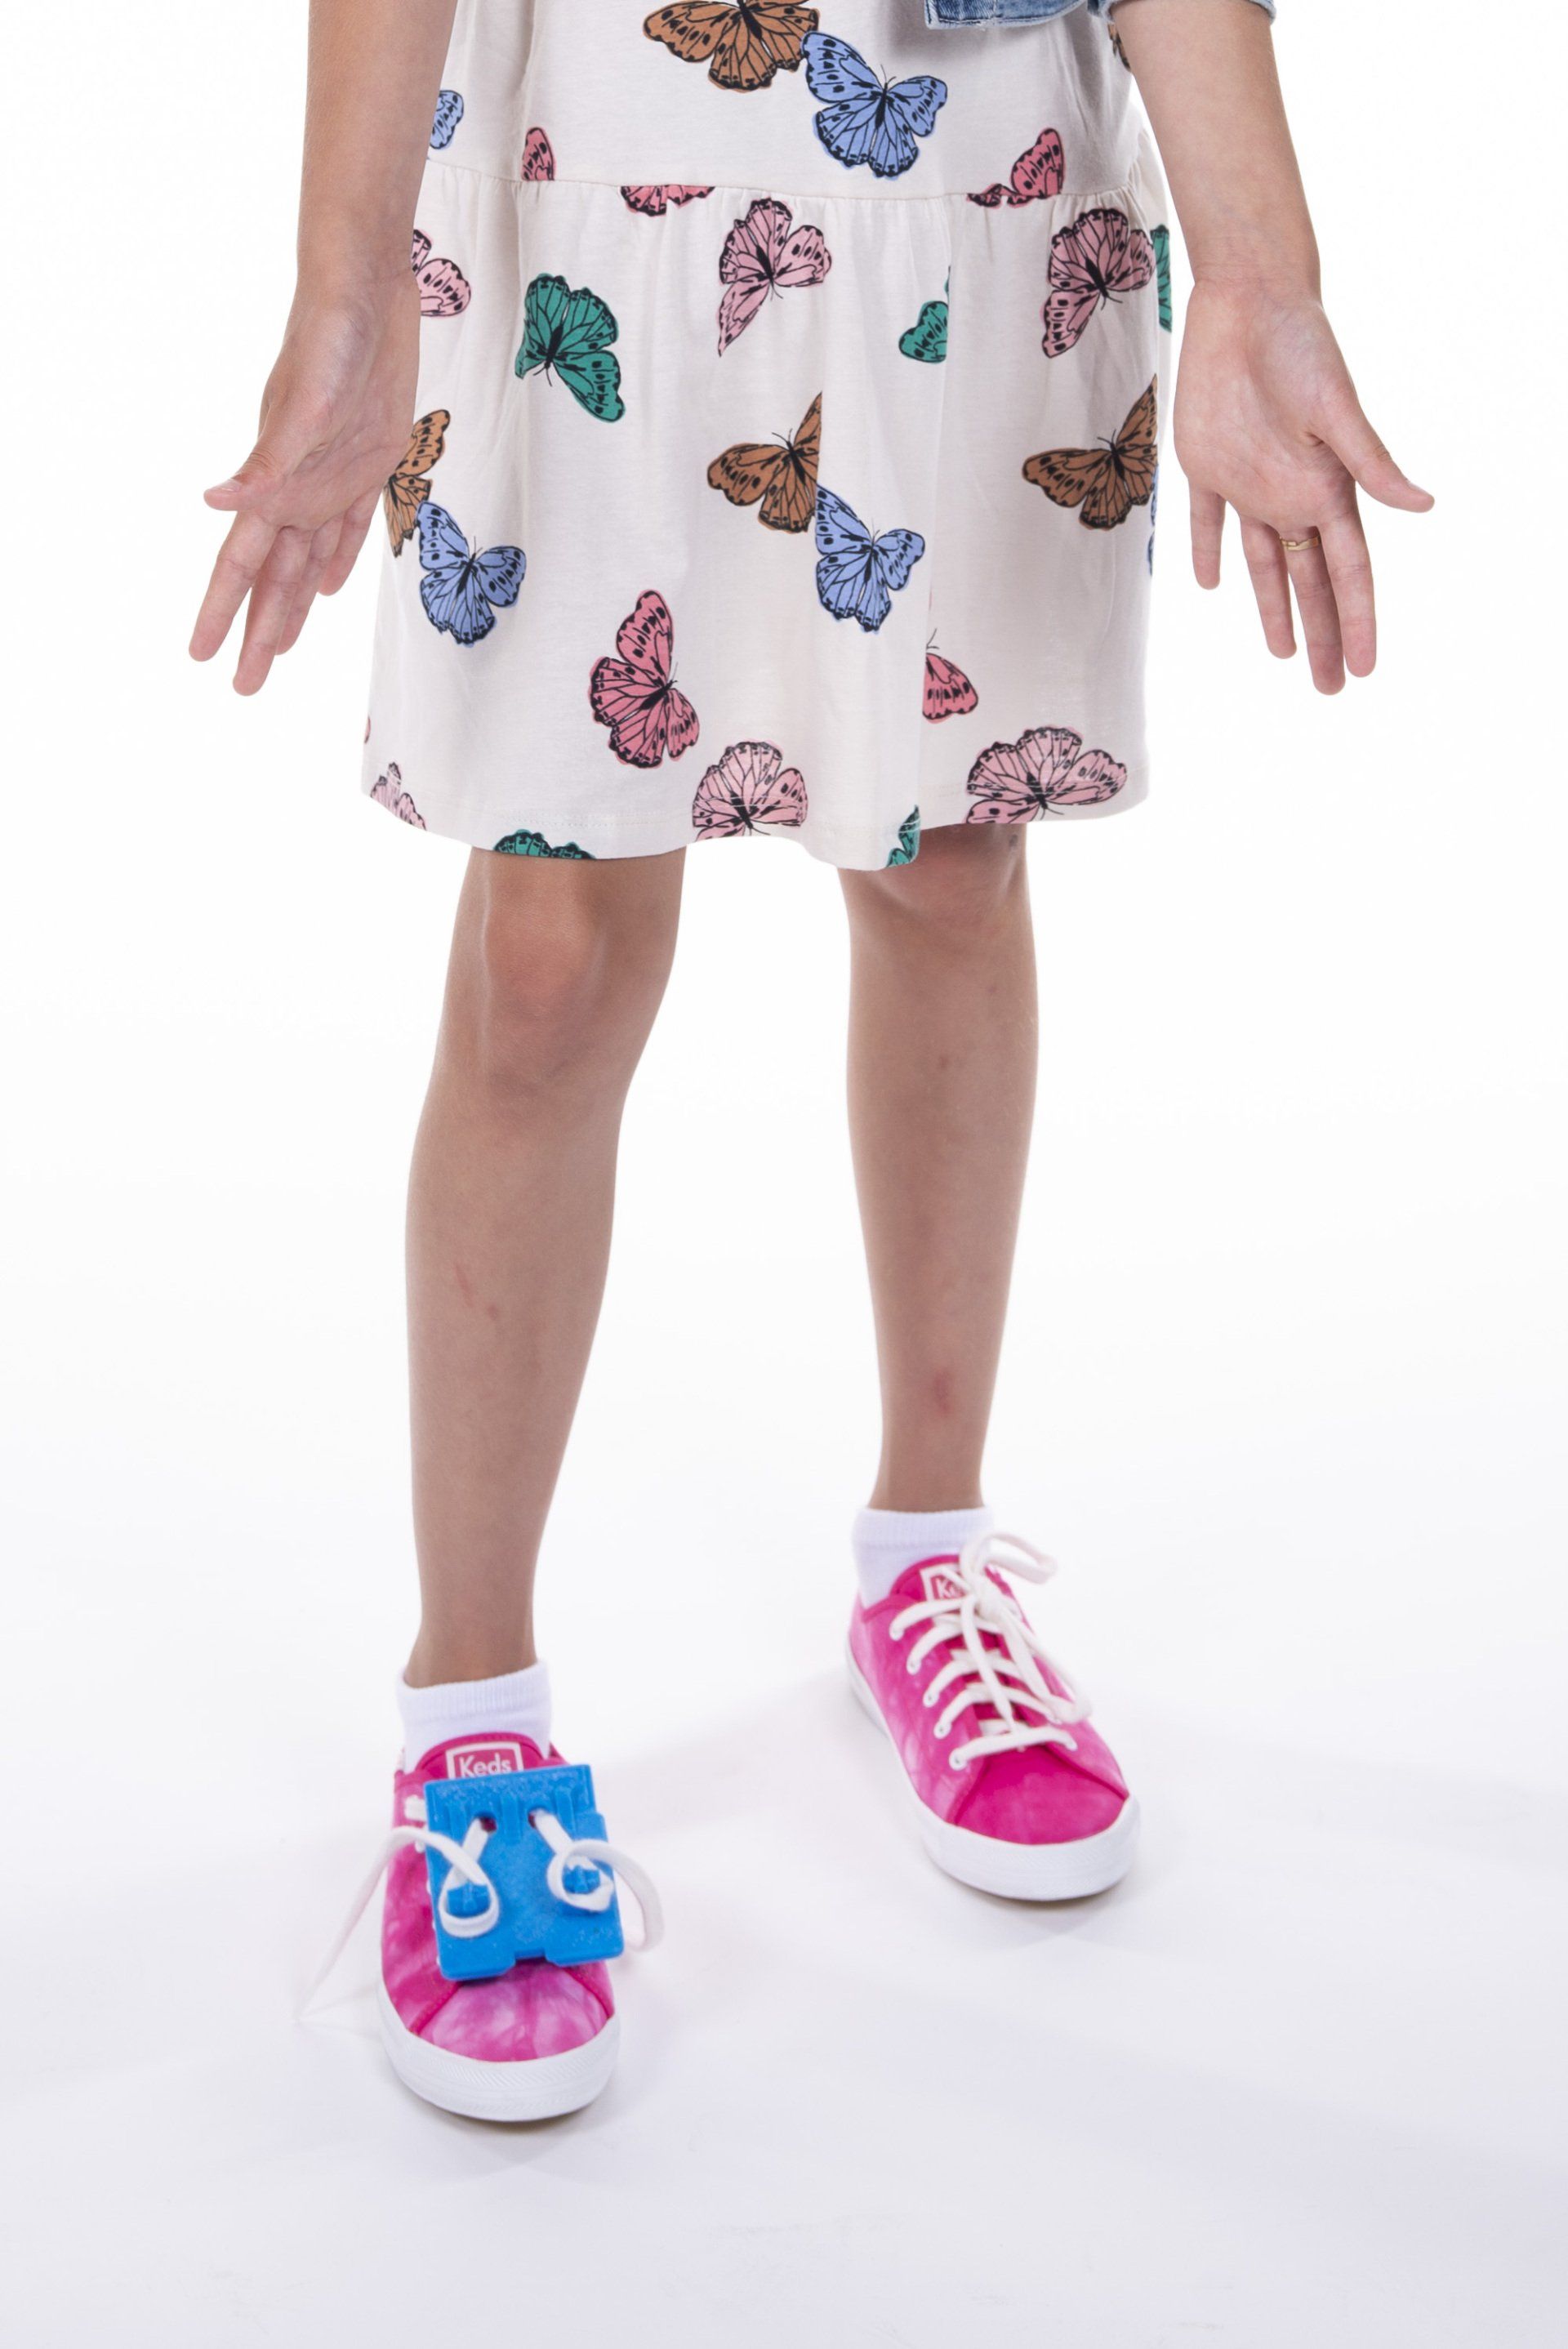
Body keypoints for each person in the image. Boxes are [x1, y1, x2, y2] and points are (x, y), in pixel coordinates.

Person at [191, 0, 1432, 2121]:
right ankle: (470, 1708)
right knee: (552, 952)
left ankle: (926, 1559)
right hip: (595, 137)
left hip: (964, 142)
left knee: (951, 861)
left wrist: (1265, 266)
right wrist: (337, 274)